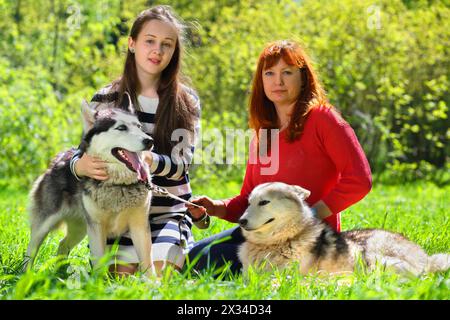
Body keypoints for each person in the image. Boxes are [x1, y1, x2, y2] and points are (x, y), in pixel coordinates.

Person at [186, 40, 372, 275]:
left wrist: (308, 215)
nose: (278, 81)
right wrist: (217, 207)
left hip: (306, 238)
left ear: (303, 78)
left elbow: (359, 181)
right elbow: (248, 200)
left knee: (223, 267)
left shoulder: (324, 119)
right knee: (197, 259)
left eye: (287, 72)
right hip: (261, 234)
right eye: (270, 73)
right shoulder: (263, 132)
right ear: (261, 81)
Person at [70, 5, 201, 275]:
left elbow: (182, 165)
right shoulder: (106, 98)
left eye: (167, 44)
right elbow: (81, 151)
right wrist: (78, 166)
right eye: (150, 41)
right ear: (132, 43)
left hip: (167, 211)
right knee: (121, 276)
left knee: (159, 273)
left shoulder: (185, 101)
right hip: (117, 214)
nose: (158, 51)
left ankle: (178, 240)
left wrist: (150, 160)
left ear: (175, 50)